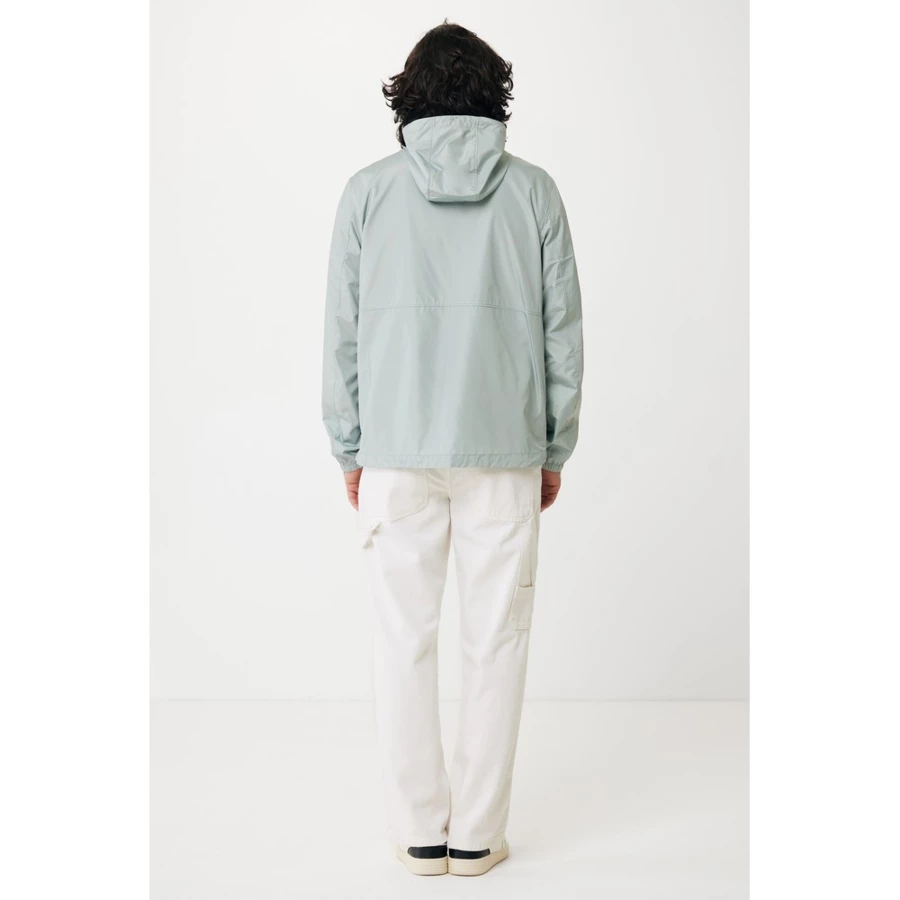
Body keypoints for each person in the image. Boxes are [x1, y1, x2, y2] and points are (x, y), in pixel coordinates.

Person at [321, 21, 583, 877]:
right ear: (492, 94)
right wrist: (552, 447)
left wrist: (352, 448)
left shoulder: (367, 193)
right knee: (496, 641)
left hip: (395, 454)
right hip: (504, 453)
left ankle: (418, 833)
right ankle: (476, 835)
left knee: (402, 642)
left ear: (409, 95)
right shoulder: (534, 193)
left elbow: (342, 335)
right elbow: (562, 335)